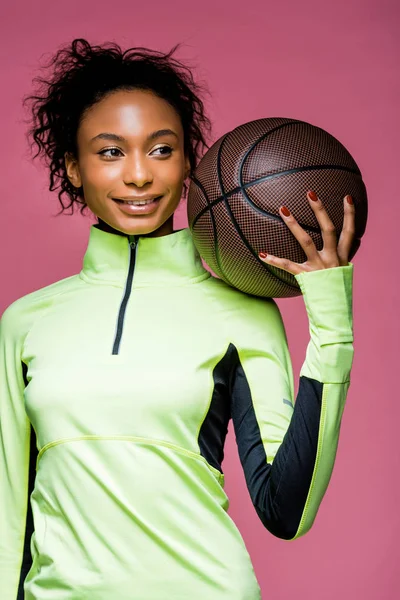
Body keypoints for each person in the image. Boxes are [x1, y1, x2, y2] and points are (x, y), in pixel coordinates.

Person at [0, 38, 355, 600]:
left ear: (190, 162)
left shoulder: (244, 313)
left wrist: (332, 317)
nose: (139, 176)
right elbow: (9, 508)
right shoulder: (25, 322)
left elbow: (286, 510)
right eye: (111, 152)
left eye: (161, 150)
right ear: (72, 166)